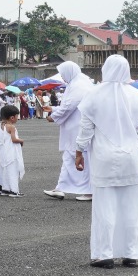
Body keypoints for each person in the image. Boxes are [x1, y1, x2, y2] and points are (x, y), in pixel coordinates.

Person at [74, 54, 138, 268]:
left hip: (103, 157)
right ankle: (132, 252)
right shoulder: (136, 96)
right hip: (131, 156)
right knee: (133, 206)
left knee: (104, 207)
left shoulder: (93, 96)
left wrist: (79, 151)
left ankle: (104, 254)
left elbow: (85, 130)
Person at [44, 61, 93, 201]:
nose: (63, 77)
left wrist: (54, 116)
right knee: (70, 158)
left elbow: (70, 105)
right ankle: (60, 188)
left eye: (63, 74)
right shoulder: (78, 82)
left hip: (78, 127)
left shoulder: (79, 85)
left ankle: (89, 191)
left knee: (79, 158)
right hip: (75, 127)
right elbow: (68, 104)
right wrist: (53, 109)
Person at [0, 103, 25, 197]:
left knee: (4, 169)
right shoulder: (11, 127)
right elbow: (14, 139)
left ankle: (4, 188)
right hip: (11, 152)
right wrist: (21, 141)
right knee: (12, 170)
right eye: (17, 116)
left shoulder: (1, 125)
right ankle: (14, 190)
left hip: (3, 152)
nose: (17, 118)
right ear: (12, 118)